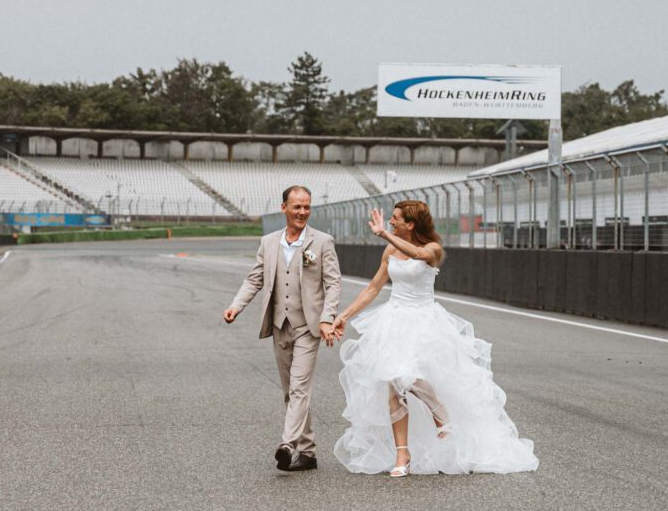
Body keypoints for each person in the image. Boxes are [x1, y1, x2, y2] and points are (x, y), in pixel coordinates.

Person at [331, 200, 538, 477]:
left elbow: (417, 253)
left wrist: (383, 234)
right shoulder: (391, 248)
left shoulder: (433, 249)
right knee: (393, 383)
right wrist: (344, 315)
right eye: (390, 219)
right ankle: (402, 453)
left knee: (407, 375)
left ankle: (439, 410)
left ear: (411, 224)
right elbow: (372, 288)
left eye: (396, 219)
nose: (391, 222)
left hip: (424, 320)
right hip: (394, 319)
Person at [224, 185, 341, 472]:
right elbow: (255, 279)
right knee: (290, 391)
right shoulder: (268, 242)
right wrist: (236, 306)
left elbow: (333, 283)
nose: (302, 212)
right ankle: (309, 452)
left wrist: (327, 317)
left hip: (308, 327)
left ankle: (287, 444)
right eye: (297, 207)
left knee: (300, 388)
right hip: (280, 325)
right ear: (284, 208)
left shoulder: (322, 241)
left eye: (307, 207)